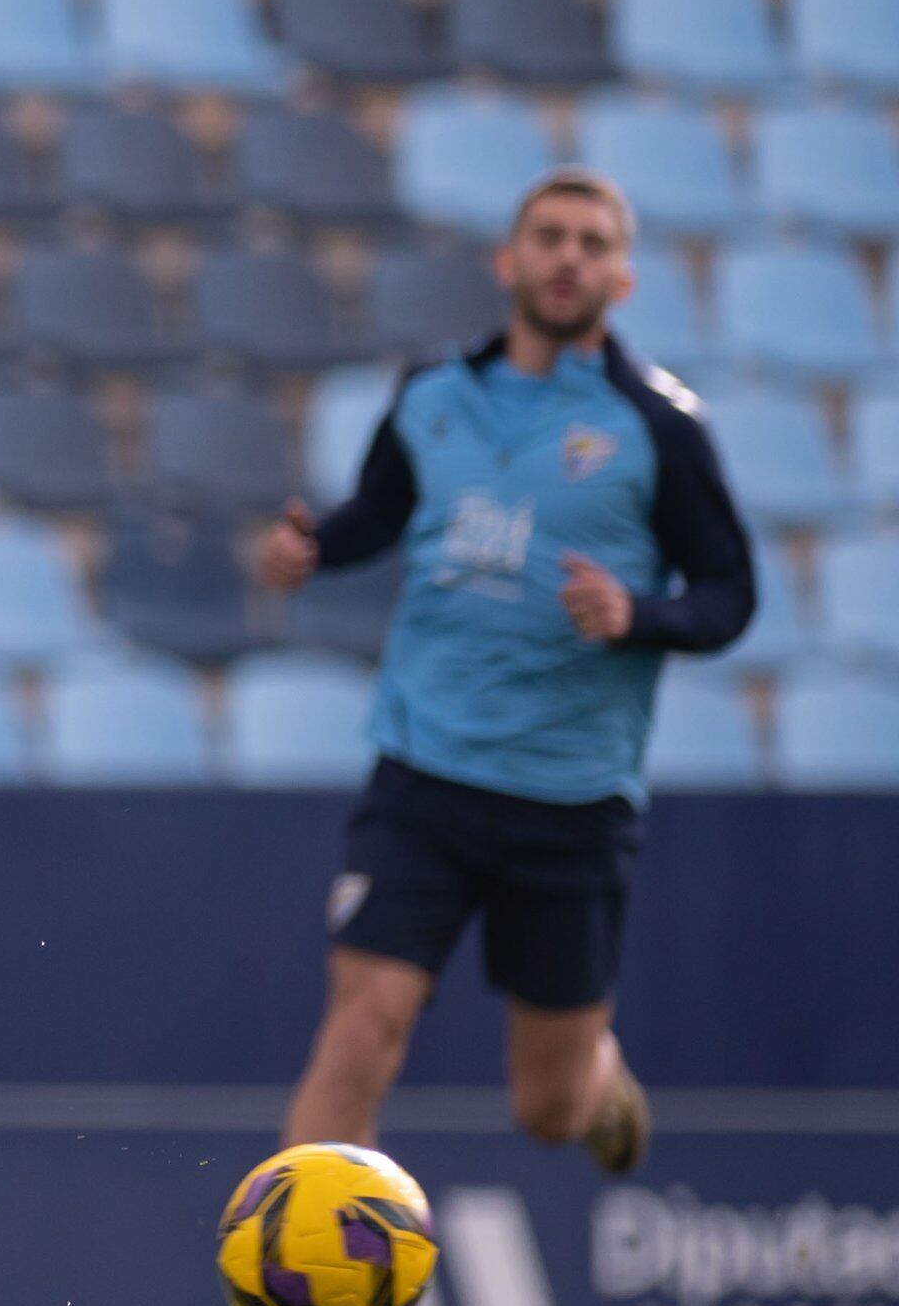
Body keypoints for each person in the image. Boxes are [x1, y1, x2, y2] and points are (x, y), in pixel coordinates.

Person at [254, 167, 754, 1180]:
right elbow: (380, 514)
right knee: (361, 1024)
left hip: (567, 799)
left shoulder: (658, 428)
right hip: (421, 774)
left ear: (620, 278)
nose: (567, 256)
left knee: (546, 1106)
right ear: (508, 259)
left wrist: (636, 615)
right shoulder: (430, 395)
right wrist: (315, 550)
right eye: (549, 236)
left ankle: (599, 1078)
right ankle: (297, 1301)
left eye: (590, 243)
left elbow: (727, 593)